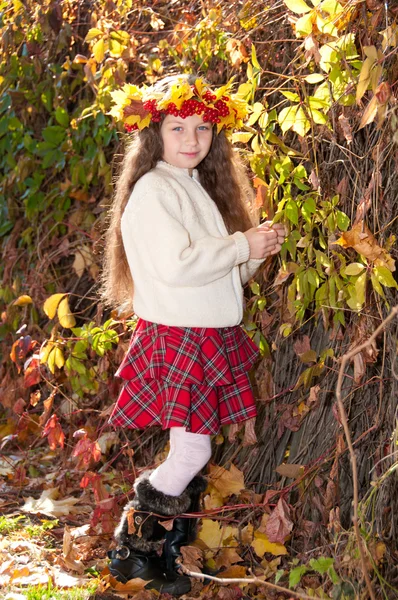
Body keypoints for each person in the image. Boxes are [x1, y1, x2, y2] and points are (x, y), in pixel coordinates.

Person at [101, 74, 285, 594]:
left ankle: (153, 554)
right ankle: (132, 549)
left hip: (201, 333)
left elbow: (214, 274)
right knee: (192, 454)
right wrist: (237, 246)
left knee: (193, 451)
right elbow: (180, 267)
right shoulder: (155, 189)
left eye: (203, 127)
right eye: (178, 127)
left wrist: (252, 251)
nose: (192, 138)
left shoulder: (192, 185)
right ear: (155, 132)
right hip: (181, 337)